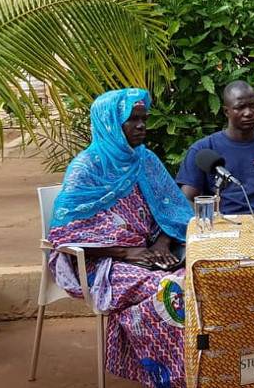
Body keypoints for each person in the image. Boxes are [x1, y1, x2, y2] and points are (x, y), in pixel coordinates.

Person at [48, 88, 192, 387]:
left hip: (151, 254)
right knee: (172, 290)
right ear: (111, 123)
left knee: (198, 280)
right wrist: (127, 253)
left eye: (144, 119)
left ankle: (189, 371)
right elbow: (65, 234)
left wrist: (162, 244)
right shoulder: (86, 168)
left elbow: (173, 210)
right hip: (102, 264)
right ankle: (172, 377)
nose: (141, 126)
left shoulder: (145, 160)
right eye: (132, 120)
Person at [176, 81, 254, 214]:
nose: (249, 113)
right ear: (226, 111)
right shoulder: (203, 150)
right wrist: (209, 222)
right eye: (240, 107)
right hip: (222, 227)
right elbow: (186, 199)